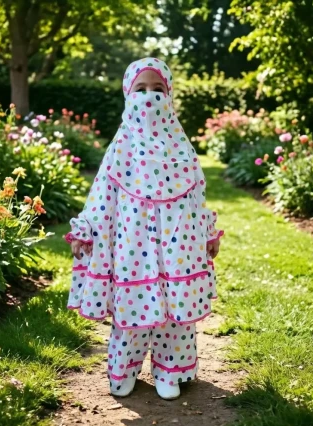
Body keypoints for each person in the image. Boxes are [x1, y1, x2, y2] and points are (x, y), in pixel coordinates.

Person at [65, 57, 223, 400]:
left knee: (175, 310)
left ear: (169, 96)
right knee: (132, 305)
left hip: (178, 242)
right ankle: (124, 368)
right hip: (132, 243)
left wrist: (207, 232)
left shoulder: (181, 147)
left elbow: (197, 194)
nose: (149, 97)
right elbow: (102, 194)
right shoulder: (121, 146)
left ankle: (171, 369)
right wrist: (87, 230)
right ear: (127, 94)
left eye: (157, 90)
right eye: (140, 89)